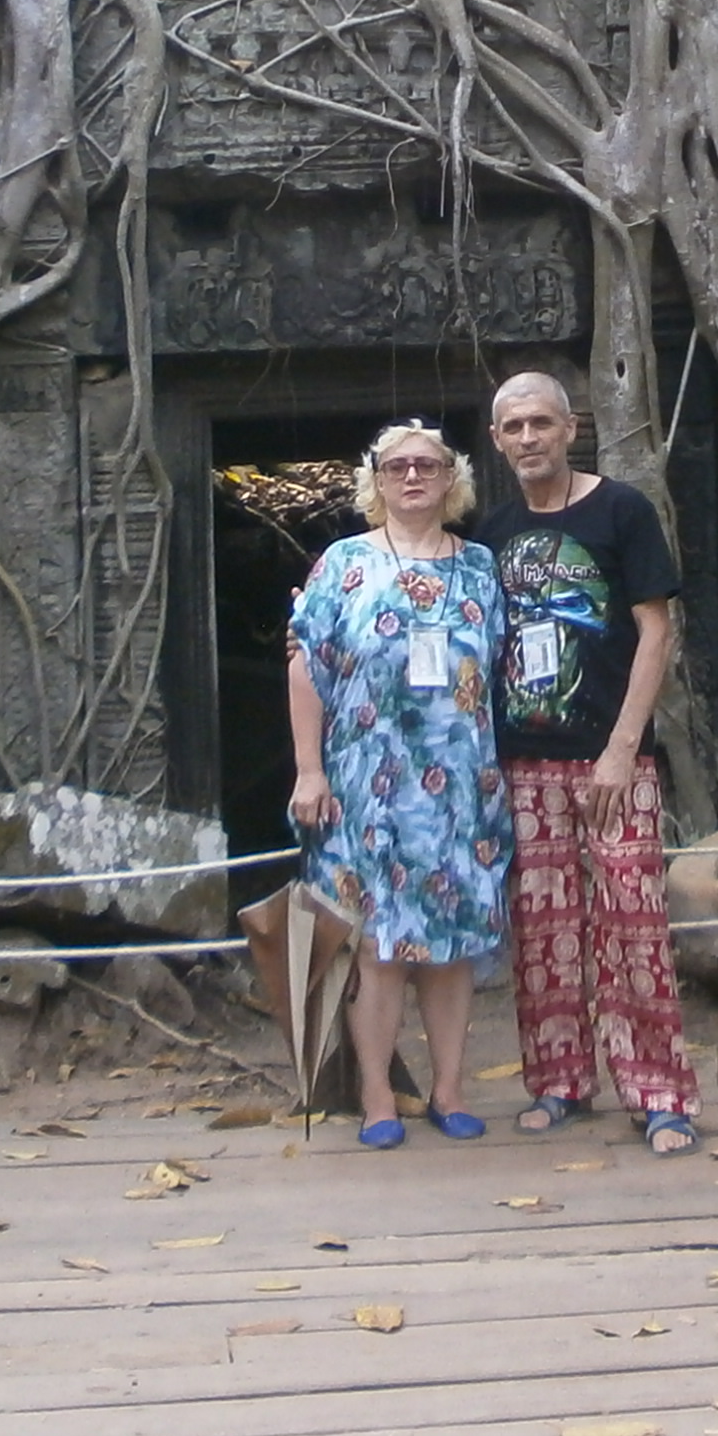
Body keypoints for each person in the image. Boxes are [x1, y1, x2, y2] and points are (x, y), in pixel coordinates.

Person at [484, 371, 700, 1154]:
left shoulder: (621, 510)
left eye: (541, 422)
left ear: (570, 427)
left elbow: (655, 632)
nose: (529, 438)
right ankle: (558, 1080)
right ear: (497, 441)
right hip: (525, 762)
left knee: (633, 922)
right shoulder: (493, 530)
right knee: (543, 930)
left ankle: (658, 1091)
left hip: (614, 759)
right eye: (514, 428)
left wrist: (621, 747)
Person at [285, 422, 511, 1147]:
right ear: (375, 482)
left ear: (453, 480)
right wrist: (310, 770)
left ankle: (449, 1089)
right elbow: (306, 665)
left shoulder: (479, 566)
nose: (412, 477)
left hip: (460, 789)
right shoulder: (342, 564)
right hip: (366, 786)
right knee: (379, 947)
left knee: (450, 947)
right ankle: (378, 1094)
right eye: (396, 467)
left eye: (428, 465)